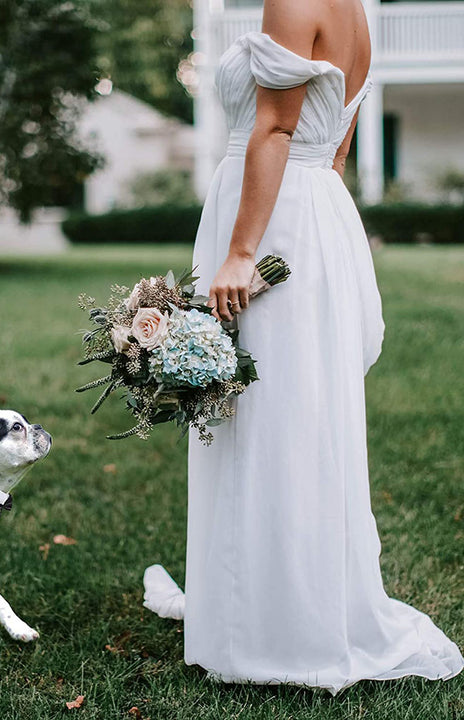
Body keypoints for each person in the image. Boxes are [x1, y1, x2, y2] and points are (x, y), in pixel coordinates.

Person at [183, 0, 463, 694]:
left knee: (269, 416)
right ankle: (281, 605)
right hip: (315, 208)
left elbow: (275, 128)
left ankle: (276, 625)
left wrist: (242, 250)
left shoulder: (293, 0)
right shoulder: (357, 10)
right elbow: (336, 147)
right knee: (296, 418)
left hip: (273, 225)